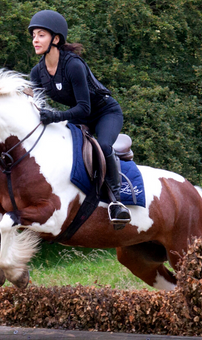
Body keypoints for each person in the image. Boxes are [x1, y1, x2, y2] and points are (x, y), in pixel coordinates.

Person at [28, 10, 131, 226]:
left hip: (104, 112)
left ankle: (117, 202)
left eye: (41, 35)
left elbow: (84, 108)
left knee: (102, 145)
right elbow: (38, 107)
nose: (35, 40)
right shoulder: (37, 73)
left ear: (56, 39)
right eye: (33, 35)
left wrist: (55, 116)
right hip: (78, 115)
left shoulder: (73, 65)